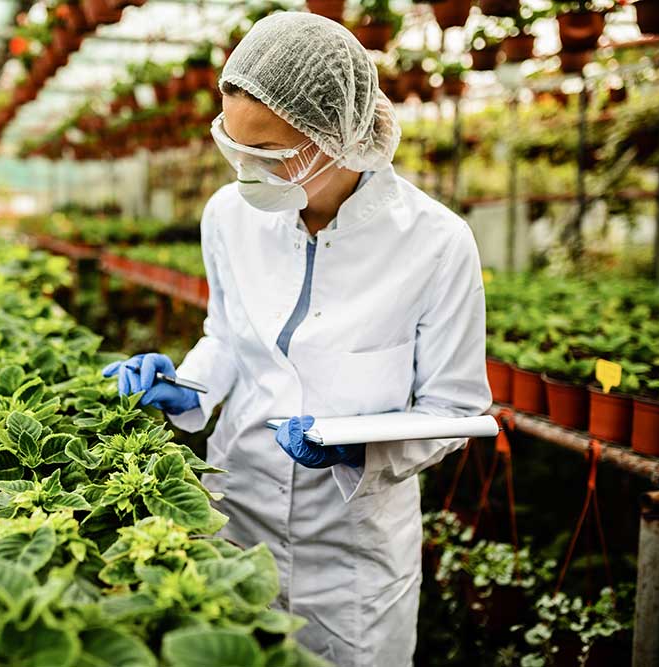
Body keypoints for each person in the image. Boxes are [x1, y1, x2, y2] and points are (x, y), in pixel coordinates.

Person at [102, 11, 491, 666]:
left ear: (334, 137)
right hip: (237, 516)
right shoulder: (228, 215)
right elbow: (226, 334)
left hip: (354, 556)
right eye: (235, 147)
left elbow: (454, 411)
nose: (246, 169)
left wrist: (351, 449)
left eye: (269, 153)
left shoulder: (435, 242)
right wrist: (187, 386)